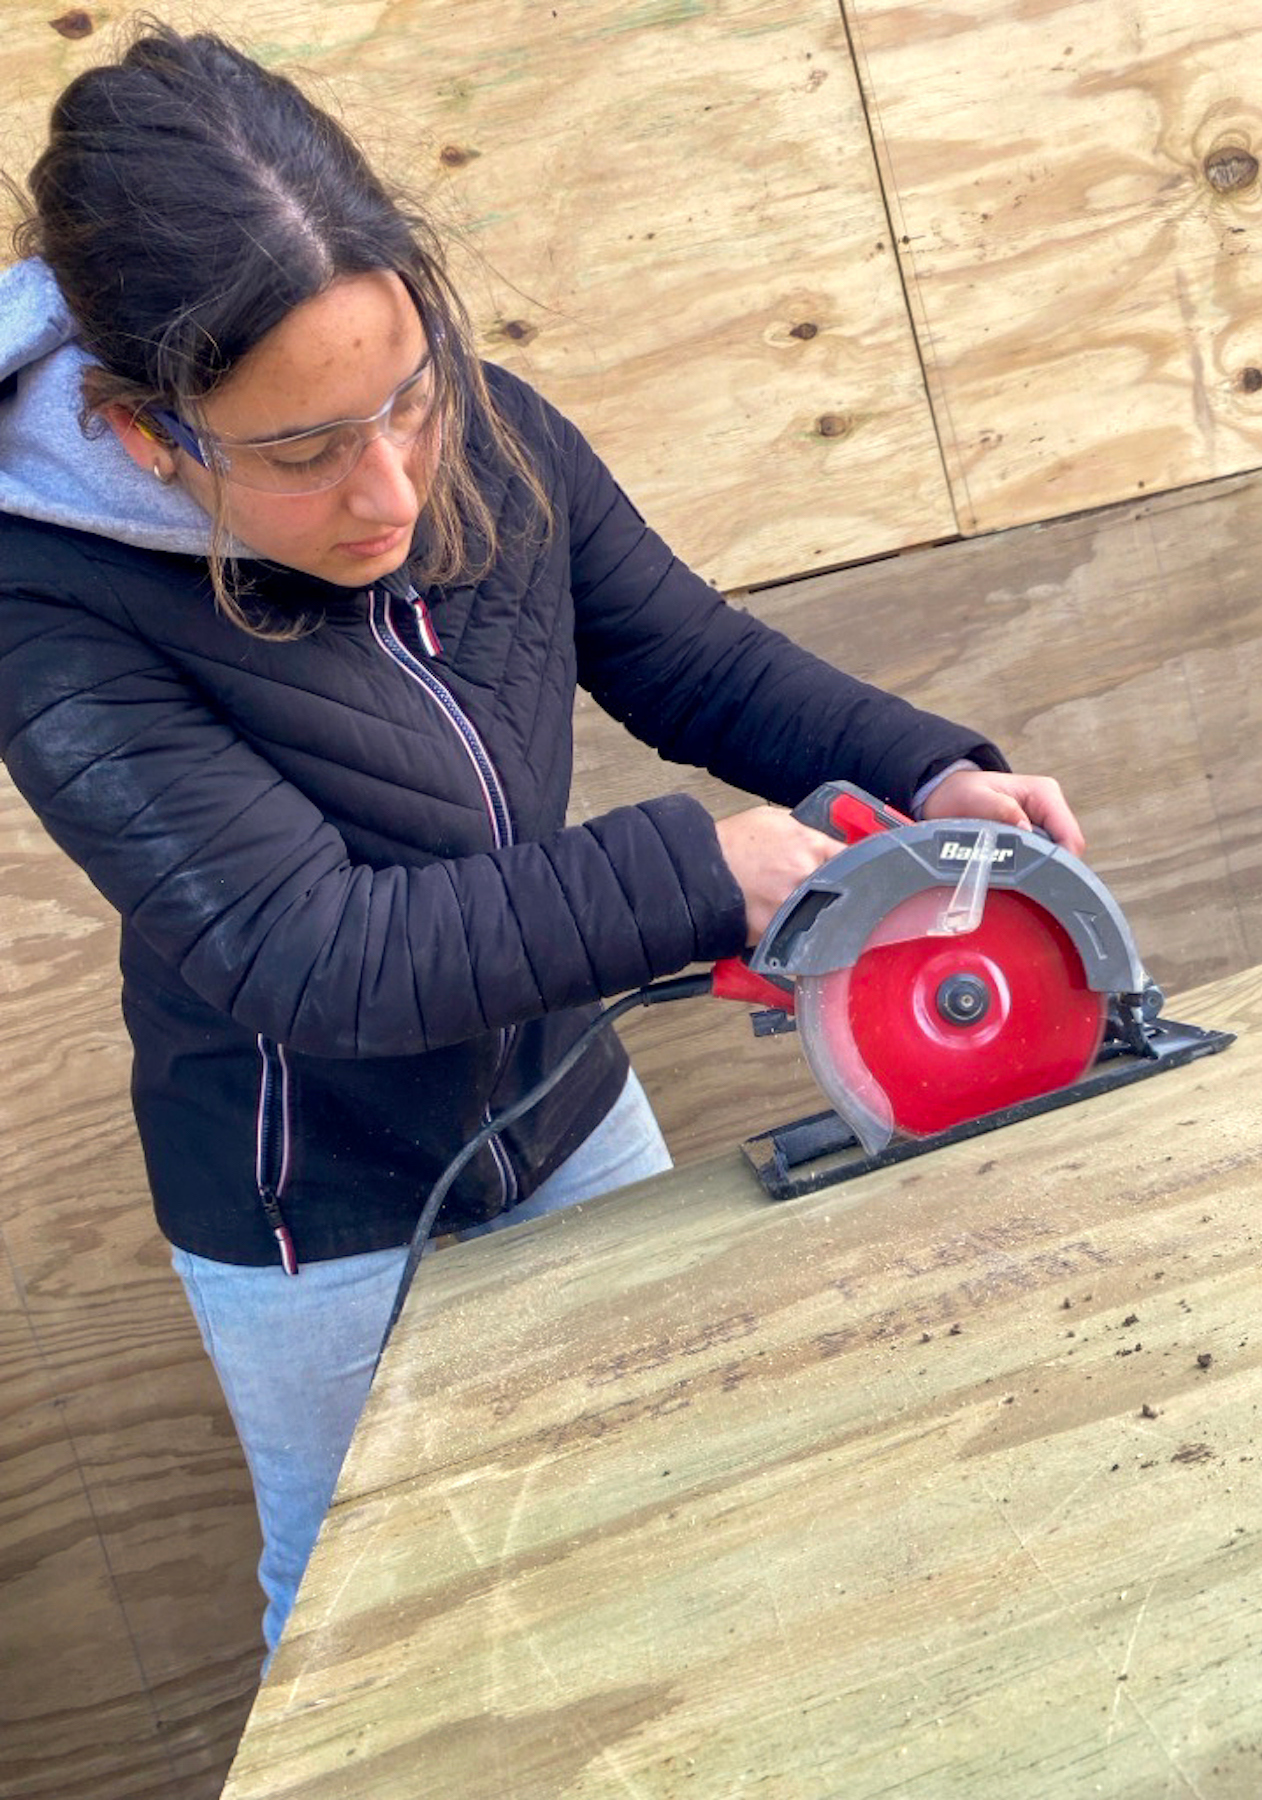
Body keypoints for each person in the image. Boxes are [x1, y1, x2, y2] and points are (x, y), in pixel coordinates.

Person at [0, 24, 1084, 1661]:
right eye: (303, 452)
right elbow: (317, 956)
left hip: (565, 1111)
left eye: (406, 401)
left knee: (684, 1505)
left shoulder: (481, 431)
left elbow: (694, 660)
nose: (389, 488)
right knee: (372, 1625)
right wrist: (700, 877)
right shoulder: (47, 604)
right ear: (147, 434)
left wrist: (922, 770)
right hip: (313, 1223)